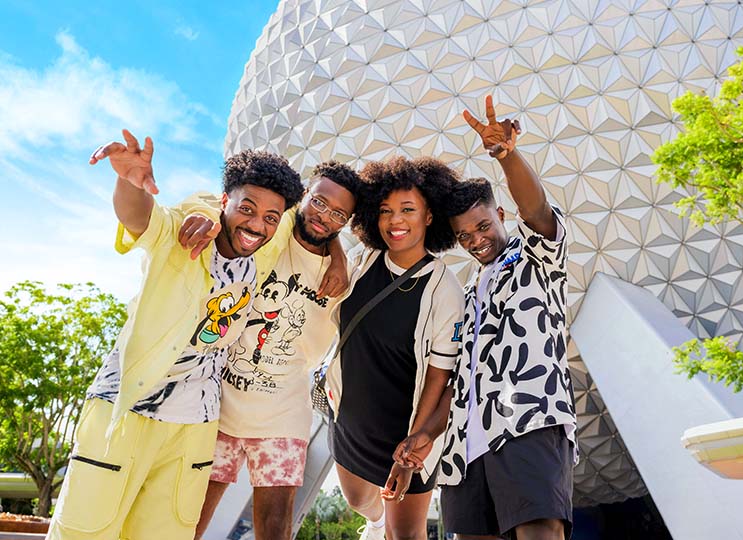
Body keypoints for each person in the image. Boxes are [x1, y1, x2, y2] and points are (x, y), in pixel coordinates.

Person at [46, 131, 304, 540]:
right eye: (247, 209)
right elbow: (140, 217)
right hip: (127, 412)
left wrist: (340, 256)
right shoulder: (179, 237)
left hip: (193, 430)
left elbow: (305, 218)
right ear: (225, 203)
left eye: (270, 218)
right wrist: (130, 183)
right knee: (85, 532)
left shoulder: (266, 248)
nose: (257, 224)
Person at [394, 96, 577, 540]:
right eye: (464, 236)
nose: (476, 240)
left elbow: (536, 211)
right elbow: (462, 381)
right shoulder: (471, 292)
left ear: (499, 215)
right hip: (464, 449)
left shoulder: (536, 258)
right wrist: (425, 435)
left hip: (527, 421)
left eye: (483, 227)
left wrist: (506, 155)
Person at [192, 161, 361, 540]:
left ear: (347, 221)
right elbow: (221, 206)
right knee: (191, 516)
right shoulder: (267, 233)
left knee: (274, 527)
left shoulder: (341, 279)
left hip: (283, 414)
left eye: (339, 214)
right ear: (303, 196)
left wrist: (337, 255)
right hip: (219, 404)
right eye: (319, 202)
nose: (324, 217)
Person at [323, 156, 465, 540]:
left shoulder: (444, 289)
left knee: (406, 535)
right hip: (350, 419)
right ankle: (376, 522)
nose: (395, 221)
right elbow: (321, 238)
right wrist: (337, 253)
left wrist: (412, 451)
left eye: (407, 210)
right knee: (357, 499)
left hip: (404, 431)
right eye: (385, 211)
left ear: (429, 216)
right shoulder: (363, 259)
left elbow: (439, 376)